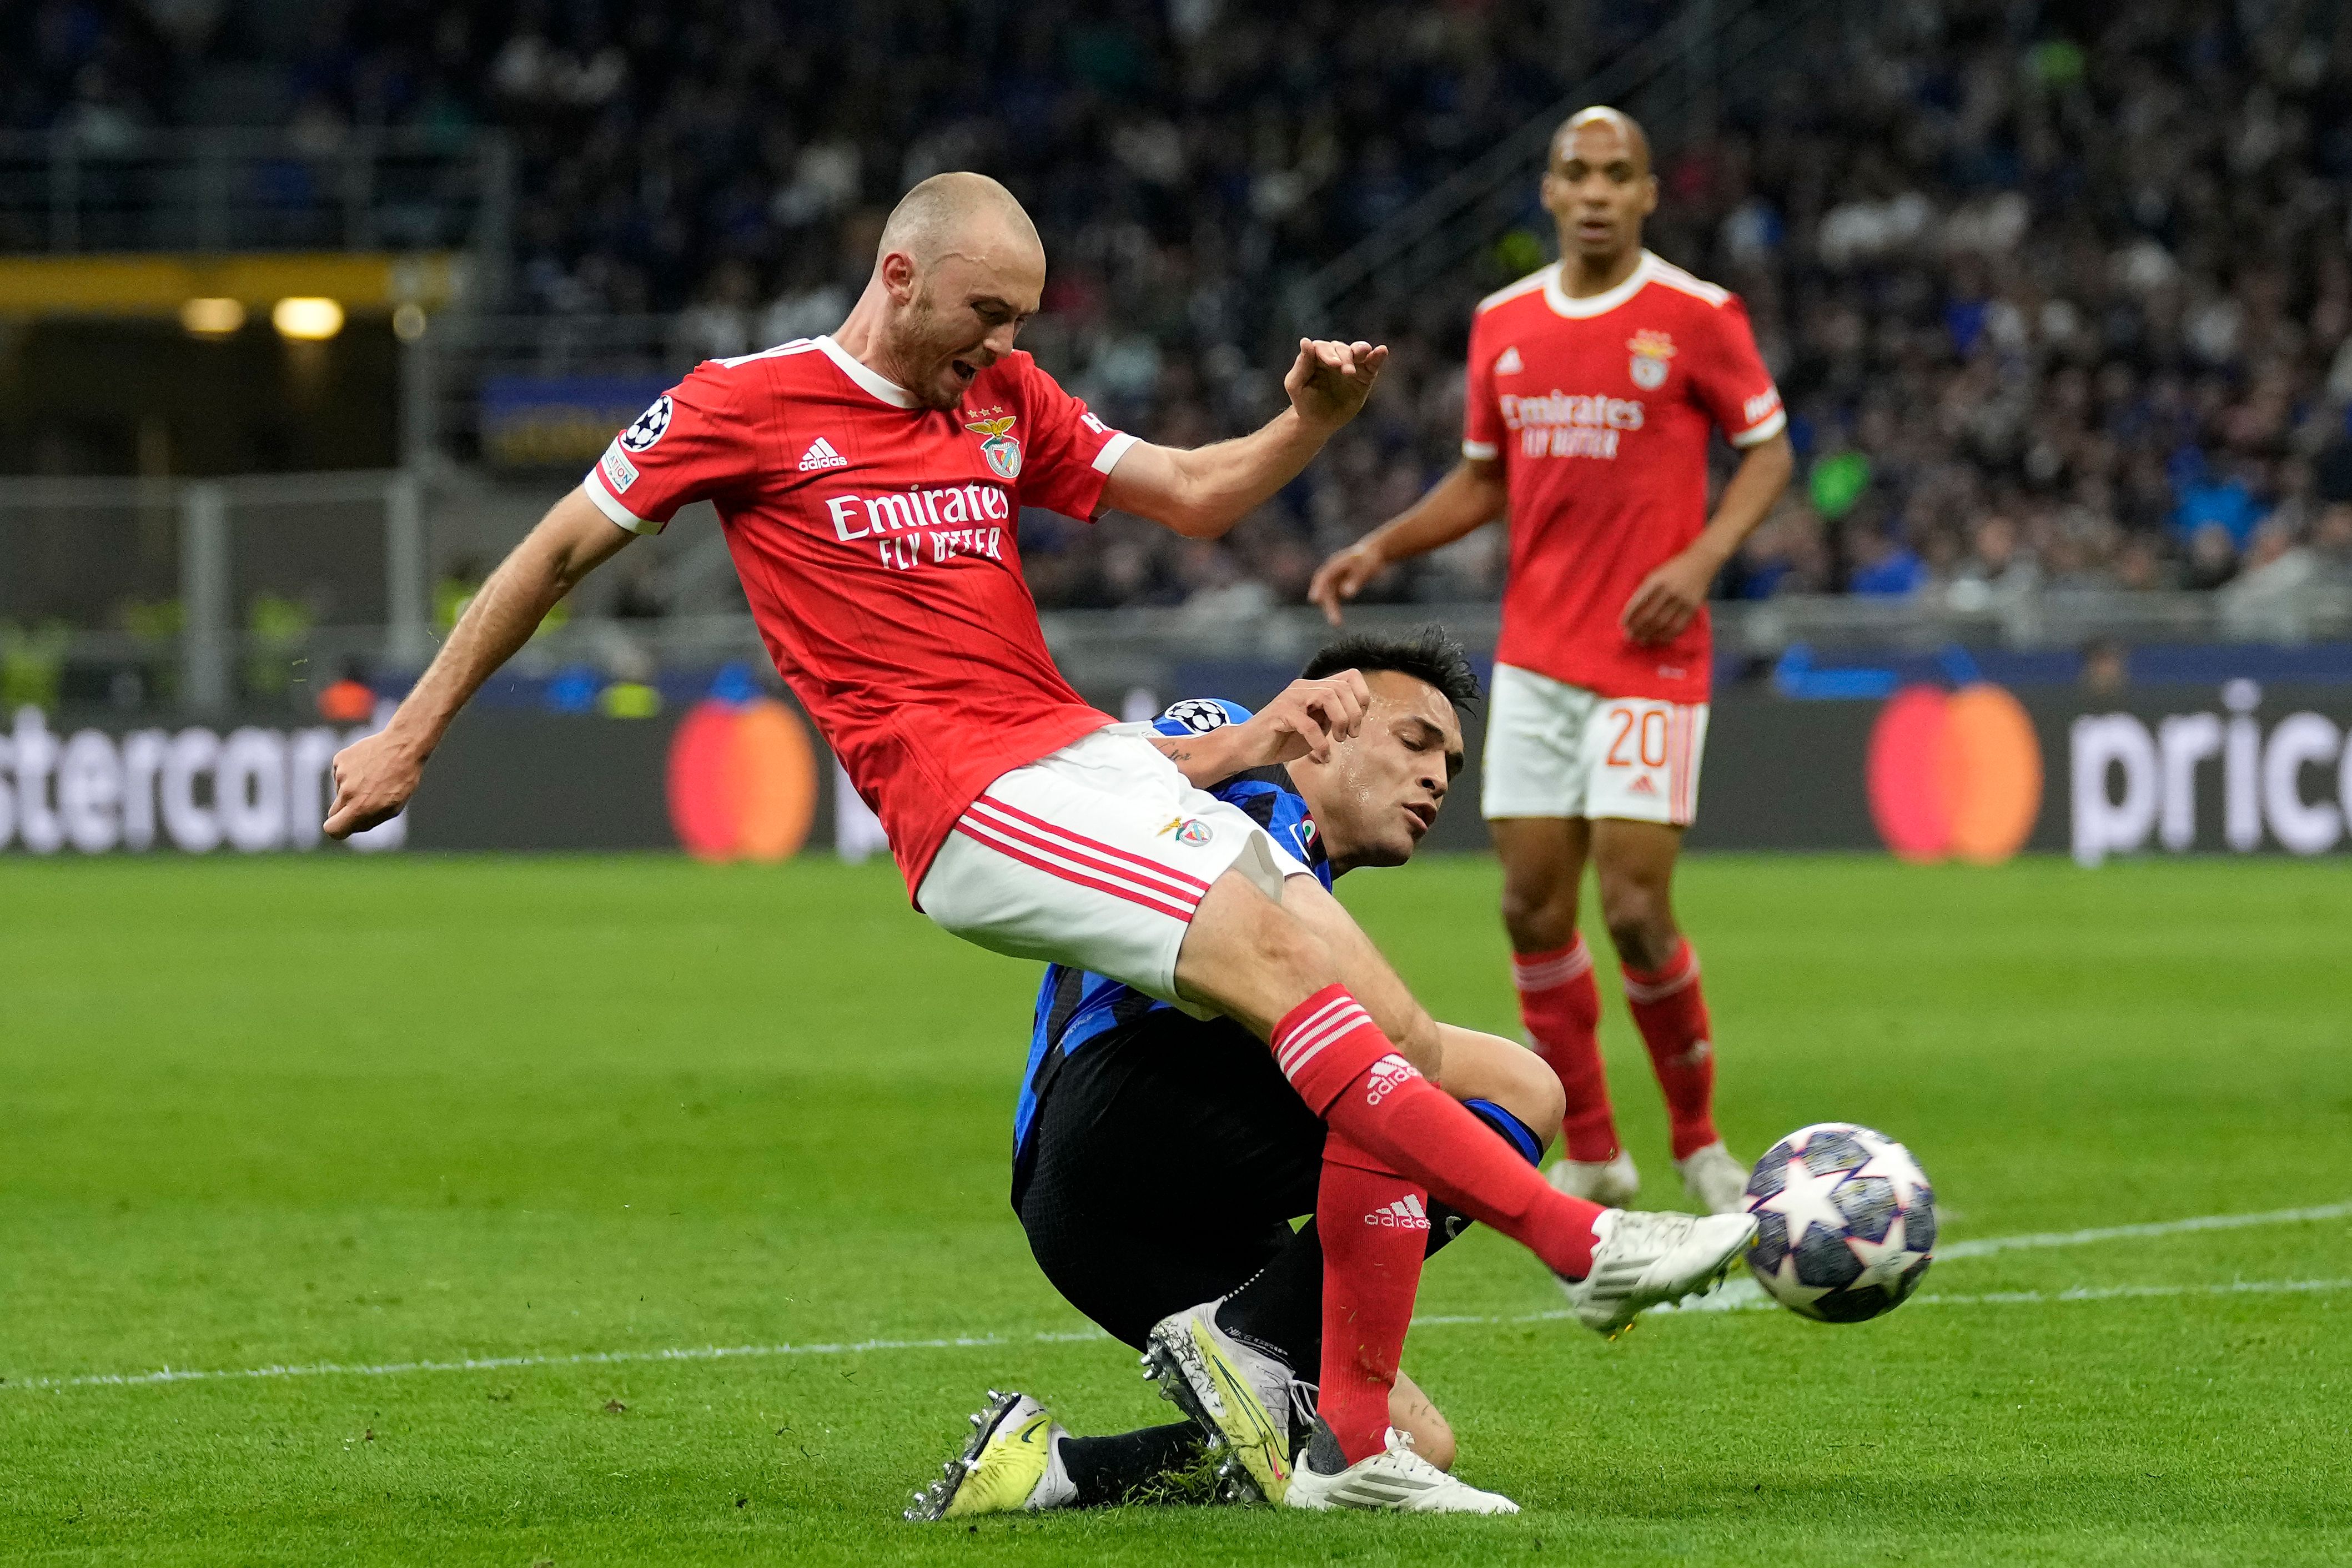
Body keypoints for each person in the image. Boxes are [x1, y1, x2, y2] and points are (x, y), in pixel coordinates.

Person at [325, 172, 1754, 1495]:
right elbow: (554, 550)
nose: (1003, 345)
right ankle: (1584, 1244)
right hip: (974, 797)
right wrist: (412, 732)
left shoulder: (1004, 397)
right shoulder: (741, 403)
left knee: (1419, 1040)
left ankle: (1354, 1441)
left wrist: (1311, 421)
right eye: (986, 312)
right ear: (899, 275)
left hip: (1088, 755)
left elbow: (1195, 491)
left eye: (1020, 319)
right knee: (1285, 968)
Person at [911, 629, 1571, 1519]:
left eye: (1449, 764)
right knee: (1518, 1088)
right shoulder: (1236, 756)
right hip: (1122, 1107)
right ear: (1328, 721)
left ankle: (1052, 1471)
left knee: (1396, 1439)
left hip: (1103, 1224)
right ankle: (1246, 1337)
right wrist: (1249, 736)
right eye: (1416, 743)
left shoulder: (1308, 881)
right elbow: (1120, 770)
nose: (1437, 779)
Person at [1310, 108, 1796, 1215]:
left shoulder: (1697, 315)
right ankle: (1594, 1150)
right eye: (1578, 173)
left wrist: (1704, 558)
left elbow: (1769, 450)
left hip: (1649, 657)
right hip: (1536, 659)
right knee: (1531, 907)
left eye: (1617, 175)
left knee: (1632, 909)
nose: (1596, 192)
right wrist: (1386, 544)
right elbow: (1486, 477)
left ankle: (1700, 1144)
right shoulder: (1505, 322)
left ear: (1648, 193)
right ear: (1549, 189)